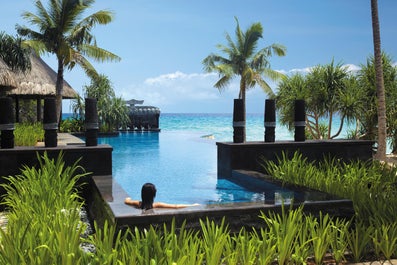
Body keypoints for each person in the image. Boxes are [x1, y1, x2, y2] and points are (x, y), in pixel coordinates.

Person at [124, 183, 199, 210]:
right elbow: (176, 206)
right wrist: (191, 205)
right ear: (154, 195)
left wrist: (128, 198)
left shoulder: (138, 204)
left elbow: (126, 201)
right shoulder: (156, 205)